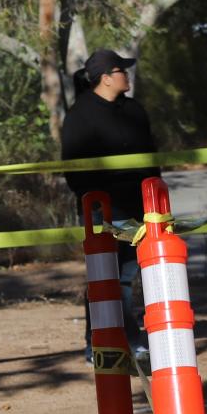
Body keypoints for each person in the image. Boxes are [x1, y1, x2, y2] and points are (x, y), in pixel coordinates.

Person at [60, 49, 159, 357]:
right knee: (105, 279)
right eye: (121, 71)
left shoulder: (134, 110)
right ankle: (100, 342)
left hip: (139, 208)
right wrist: (99, 207)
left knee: (127, 276)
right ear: (105, 79)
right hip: (103, 212)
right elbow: (75, 172)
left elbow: (150, 160)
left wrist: (153, 199)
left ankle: (126, 337)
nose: (127, 76)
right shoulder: (80, 116)